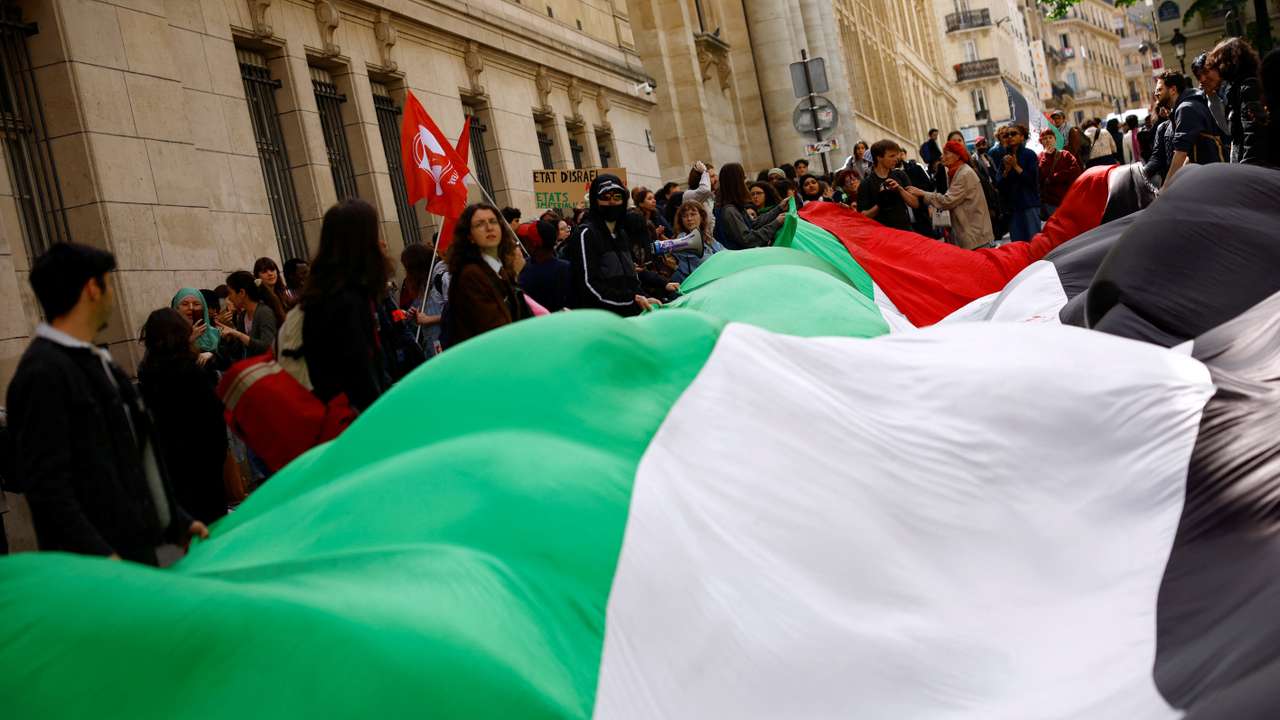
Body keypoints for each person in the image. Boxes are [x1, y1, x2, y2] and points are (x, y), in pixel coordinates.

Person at [6, 243, 207, 564]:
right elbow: (48, 487)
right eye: (108, 283)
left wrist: (176, 518)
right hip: (104, 575)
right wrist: (101, 555)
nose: (113, 295)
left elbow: (130, 458)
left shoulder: (97, 361)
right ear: (92, 289)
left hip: (142, 555)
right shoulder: (43, 373)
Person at [137, 308, 229, 526]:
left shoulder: (147, 373)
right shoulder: (192, 371)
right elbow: (213, 418)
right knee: (213, 524)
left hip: (171, 461)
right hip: (203, 461)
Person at [301, 199, 392, 413]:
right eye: (374, 234)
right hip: (355, 420)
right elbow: (359, 371)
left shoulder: (332, 291)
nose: (380, 242)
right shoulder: (344, 299)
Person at [567, 173, 663, 315]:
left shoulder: (622, 234)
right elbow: (588, 286)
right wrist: (631, 301)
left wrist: (646, 298)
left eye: (617, 197)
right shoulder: (585, 234)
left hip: (631, 319)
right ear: (595, 200)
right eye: (605, 197)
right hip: (603, 323)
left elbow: (631, 280)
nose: (612, 202)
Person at [909, 140, 993, 250]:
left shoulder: (964, 174)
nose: (942, 157)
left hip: (975, 236)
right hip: (970, 234)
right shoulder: (954, 172)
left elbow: (948, 201)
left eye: (946, 153)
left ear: (957, 155)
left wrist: (923, 193)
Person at [1206, 37, 1268, 166]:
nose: (1215, 71)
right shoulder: (1237, 89)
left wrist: (1244, 170)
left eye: (1217, 65)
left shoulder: (1248, 88)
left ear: (1228, 64)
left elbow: (1253, 135)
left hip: (1252, 169)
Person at [1166, 67, 1227, 186]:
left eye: (1159, 89)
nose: (1202, 80)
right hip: (1210, 171)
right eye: (1199, 76)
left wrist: (1167, 185)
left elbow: (1181, 151)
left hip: (1212, 174)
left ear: (1173, 89)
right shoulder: (1196, 102)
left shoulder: (1186, 108)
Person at [715, 162, 787, 249]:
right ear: (736, 183)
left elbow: (753, 224)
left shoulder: (734, 207)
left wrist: (779, 208)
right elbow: (748, 240)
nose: (745, 183)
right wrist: (776, 223)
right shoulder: (729, 211)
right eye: (742, 179)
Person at [217, 270, 282, 362]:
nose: (229, 298)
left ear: (242, 293)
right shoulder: (243, 316)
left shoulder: (264, 312)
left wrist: (239, 335)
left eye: (230, 293)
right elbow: (237, 352)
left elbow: (268, 347)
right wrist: (229, 337)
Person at [856, 140, 919, 232]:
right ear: (879, 158)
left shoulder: (900, 175)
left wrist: (899, 189)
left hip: (905, 230)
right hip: (883, 235)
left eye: (896, 155)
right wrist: (881, 203)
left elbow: (915, 204)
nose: (896, 159)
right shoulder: (866, 183)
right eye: (891, 156)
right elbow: (863, 216)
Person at [994, 124, 1041, 241]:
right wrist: (1007, 170)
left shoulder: (1029, 154)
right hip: (1013, 209)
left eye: (1013, 133)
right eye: (1007, 135)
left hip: (1029, 205)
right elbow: (999, 184)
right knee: (1018, 246)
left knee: (1035, 242)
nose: (1010, 136)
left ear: (1022, 137)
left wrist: (1016, 166)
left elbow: (1032, 180)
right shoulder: (1005, 158)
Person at [518, 219, 572, 312]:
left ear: (534, 244)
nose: (525, 243)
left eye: (527, 240)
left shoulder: (526, 271)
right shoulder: (566, 267)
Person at [668, 200, 724, 283]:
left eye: (693, 214)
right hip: (698, 283)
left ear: (701, 217)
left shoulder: (706, 236)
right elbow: (705, 261)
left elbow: (724, 252)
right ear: (681, 220)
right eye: (685, 216)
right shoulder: (682, 239)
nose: (689, 219)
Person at [1037, 127, 1083, 219]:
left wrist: (1055, 177)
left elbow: (1075, 172)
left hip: (1068, 198)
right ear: (1041, 142)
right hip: (1050, 202)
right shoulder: (1039, 158)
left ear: (1055, 139)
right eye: (1045, 138)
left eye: (1050, 137)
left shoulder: (1066, 155)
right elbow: (1040, 177)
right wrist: (1045, 157)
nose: (1048, 140)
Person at [170, 287, 220, 367]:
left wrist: (212, 355)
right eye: (185, 304)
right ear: (176, 308)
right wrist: (189, 339)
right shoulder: (168, 334)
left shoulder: (214, 333)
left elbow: (227, 362)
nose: (191, 308)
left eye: (196, 304)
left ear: (203, 308)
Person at [684, 161, 717, 238]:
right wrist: (705, 172)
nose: (715, 179)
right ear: (701, 178)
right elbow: (705, 190)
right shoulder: (688, 195)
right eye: (711, 176)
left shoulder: (710, 196)